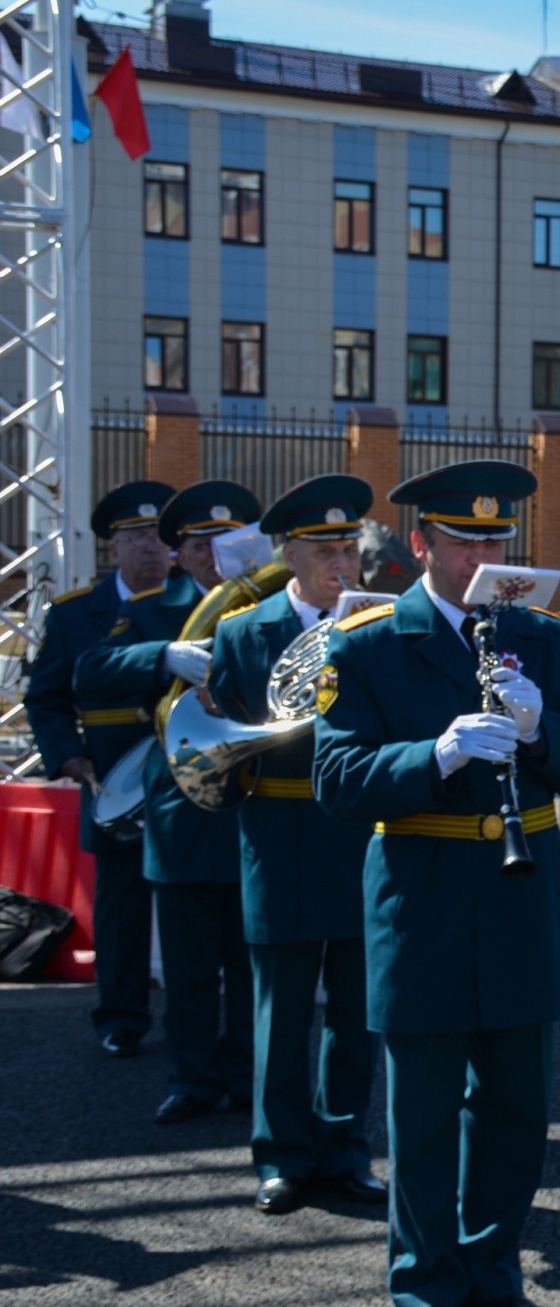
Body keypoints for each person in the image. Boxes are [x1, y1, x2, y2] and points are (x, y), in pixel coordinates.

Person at [312, 460, 560, 1307]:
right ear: (421, 546)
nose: (486, 553)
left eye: (497, 537)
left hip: (522, 900)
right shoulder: (368, 644)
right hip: (425, 893)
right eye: (465, 539)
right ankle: (426, 1285)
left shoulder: (552, 641)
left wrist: (540, 728)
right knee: (424, 1111)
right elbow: (338, 780)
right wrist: (435, 756)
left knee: (519, 1108)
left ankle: (494, 1270)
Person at [207, 474, 386, 1215]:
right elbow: (220, 733)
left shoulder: (375, 624)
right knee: (279, 1009)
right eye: (324, 549)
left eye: (349, 545)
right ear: (289, 554)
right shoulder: (242, 632)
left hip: (353, 833)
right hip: (278, 832)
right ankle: (280, 1156)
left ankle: (345, 1151)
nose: (341, 560)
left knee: (355, 1011)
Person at [77, 479, 262, 1125]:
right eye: (202, 542)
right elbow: (88, 672)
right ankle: (192, 1078)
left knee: (249, 963)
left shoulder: (267, 608)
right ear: (179, 552)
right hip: (183, 812)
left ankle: (245, 1075)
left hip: (252, 809)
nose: (219, 553)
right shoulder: (156, 610)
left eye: (233, 539)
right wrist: (162, 657)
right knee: (187, 967)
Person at [25, 480, 176, 1057]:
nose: (149, 549)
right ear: (113, 547)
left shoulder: (188, 603)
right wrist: (66, 753)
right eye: (135, 537)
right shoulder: (75, 615)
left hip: (182, 775)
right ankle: (120, 1016)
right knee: (121, 911)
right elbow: (46, 696)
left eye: (158, 538)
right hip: (110, 776)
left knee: (197, 907)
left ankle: (198, 1021)